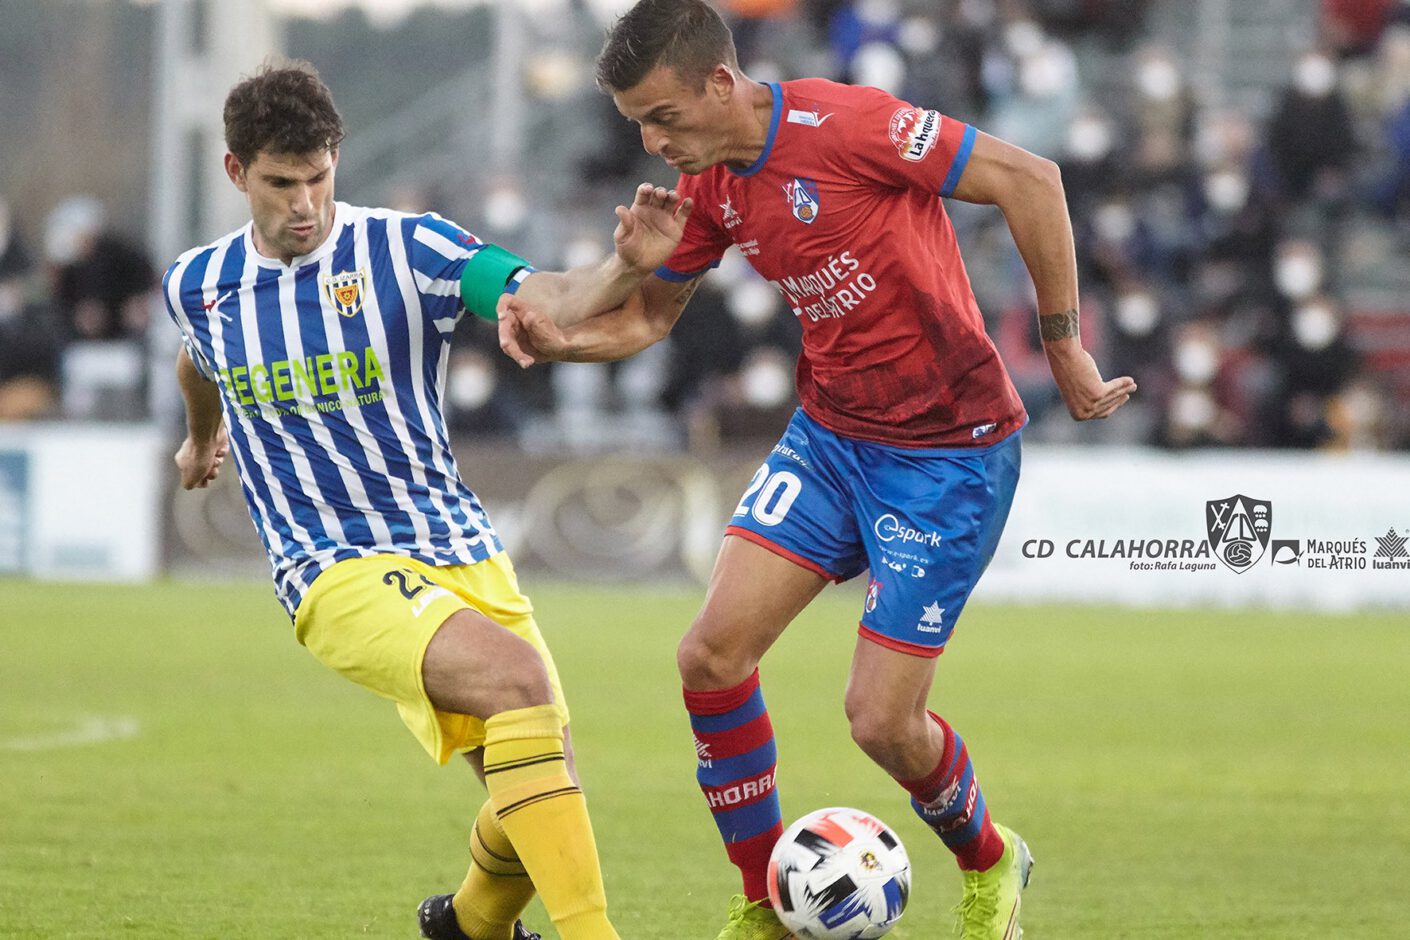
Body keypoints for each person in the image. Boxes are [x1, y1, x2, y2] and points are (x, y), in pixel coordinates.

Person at [496, 2, 1136, 938]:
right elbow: (644, 321)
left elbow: (1029, 177)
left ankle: (993, 860)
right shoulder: (709, 184)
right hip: (832, 438)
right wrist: (560, 342)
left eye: (663, 115)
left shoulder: (847, 124)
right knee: (708, 659)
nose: (650, 139)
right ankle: (763, 902)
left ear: (721, 82)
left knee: (880, 722)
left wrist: (1063, 346)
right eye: (636, 122)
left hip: (947, 453)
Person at [164, 62, 691, 940]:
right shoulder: (201, 281)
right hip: (331, 567)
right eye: (281, 182)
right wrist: (198, 435)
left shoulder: (409, 250)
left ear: (339, 158)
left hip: (458, 544)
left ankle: (468, 927)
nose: (305, 202)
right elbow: (196, 354)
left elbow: (547, 298)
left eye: (320, 175)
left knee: (537, 793)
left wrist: (621, 267)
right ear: (236, 173)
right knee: (520, 686)